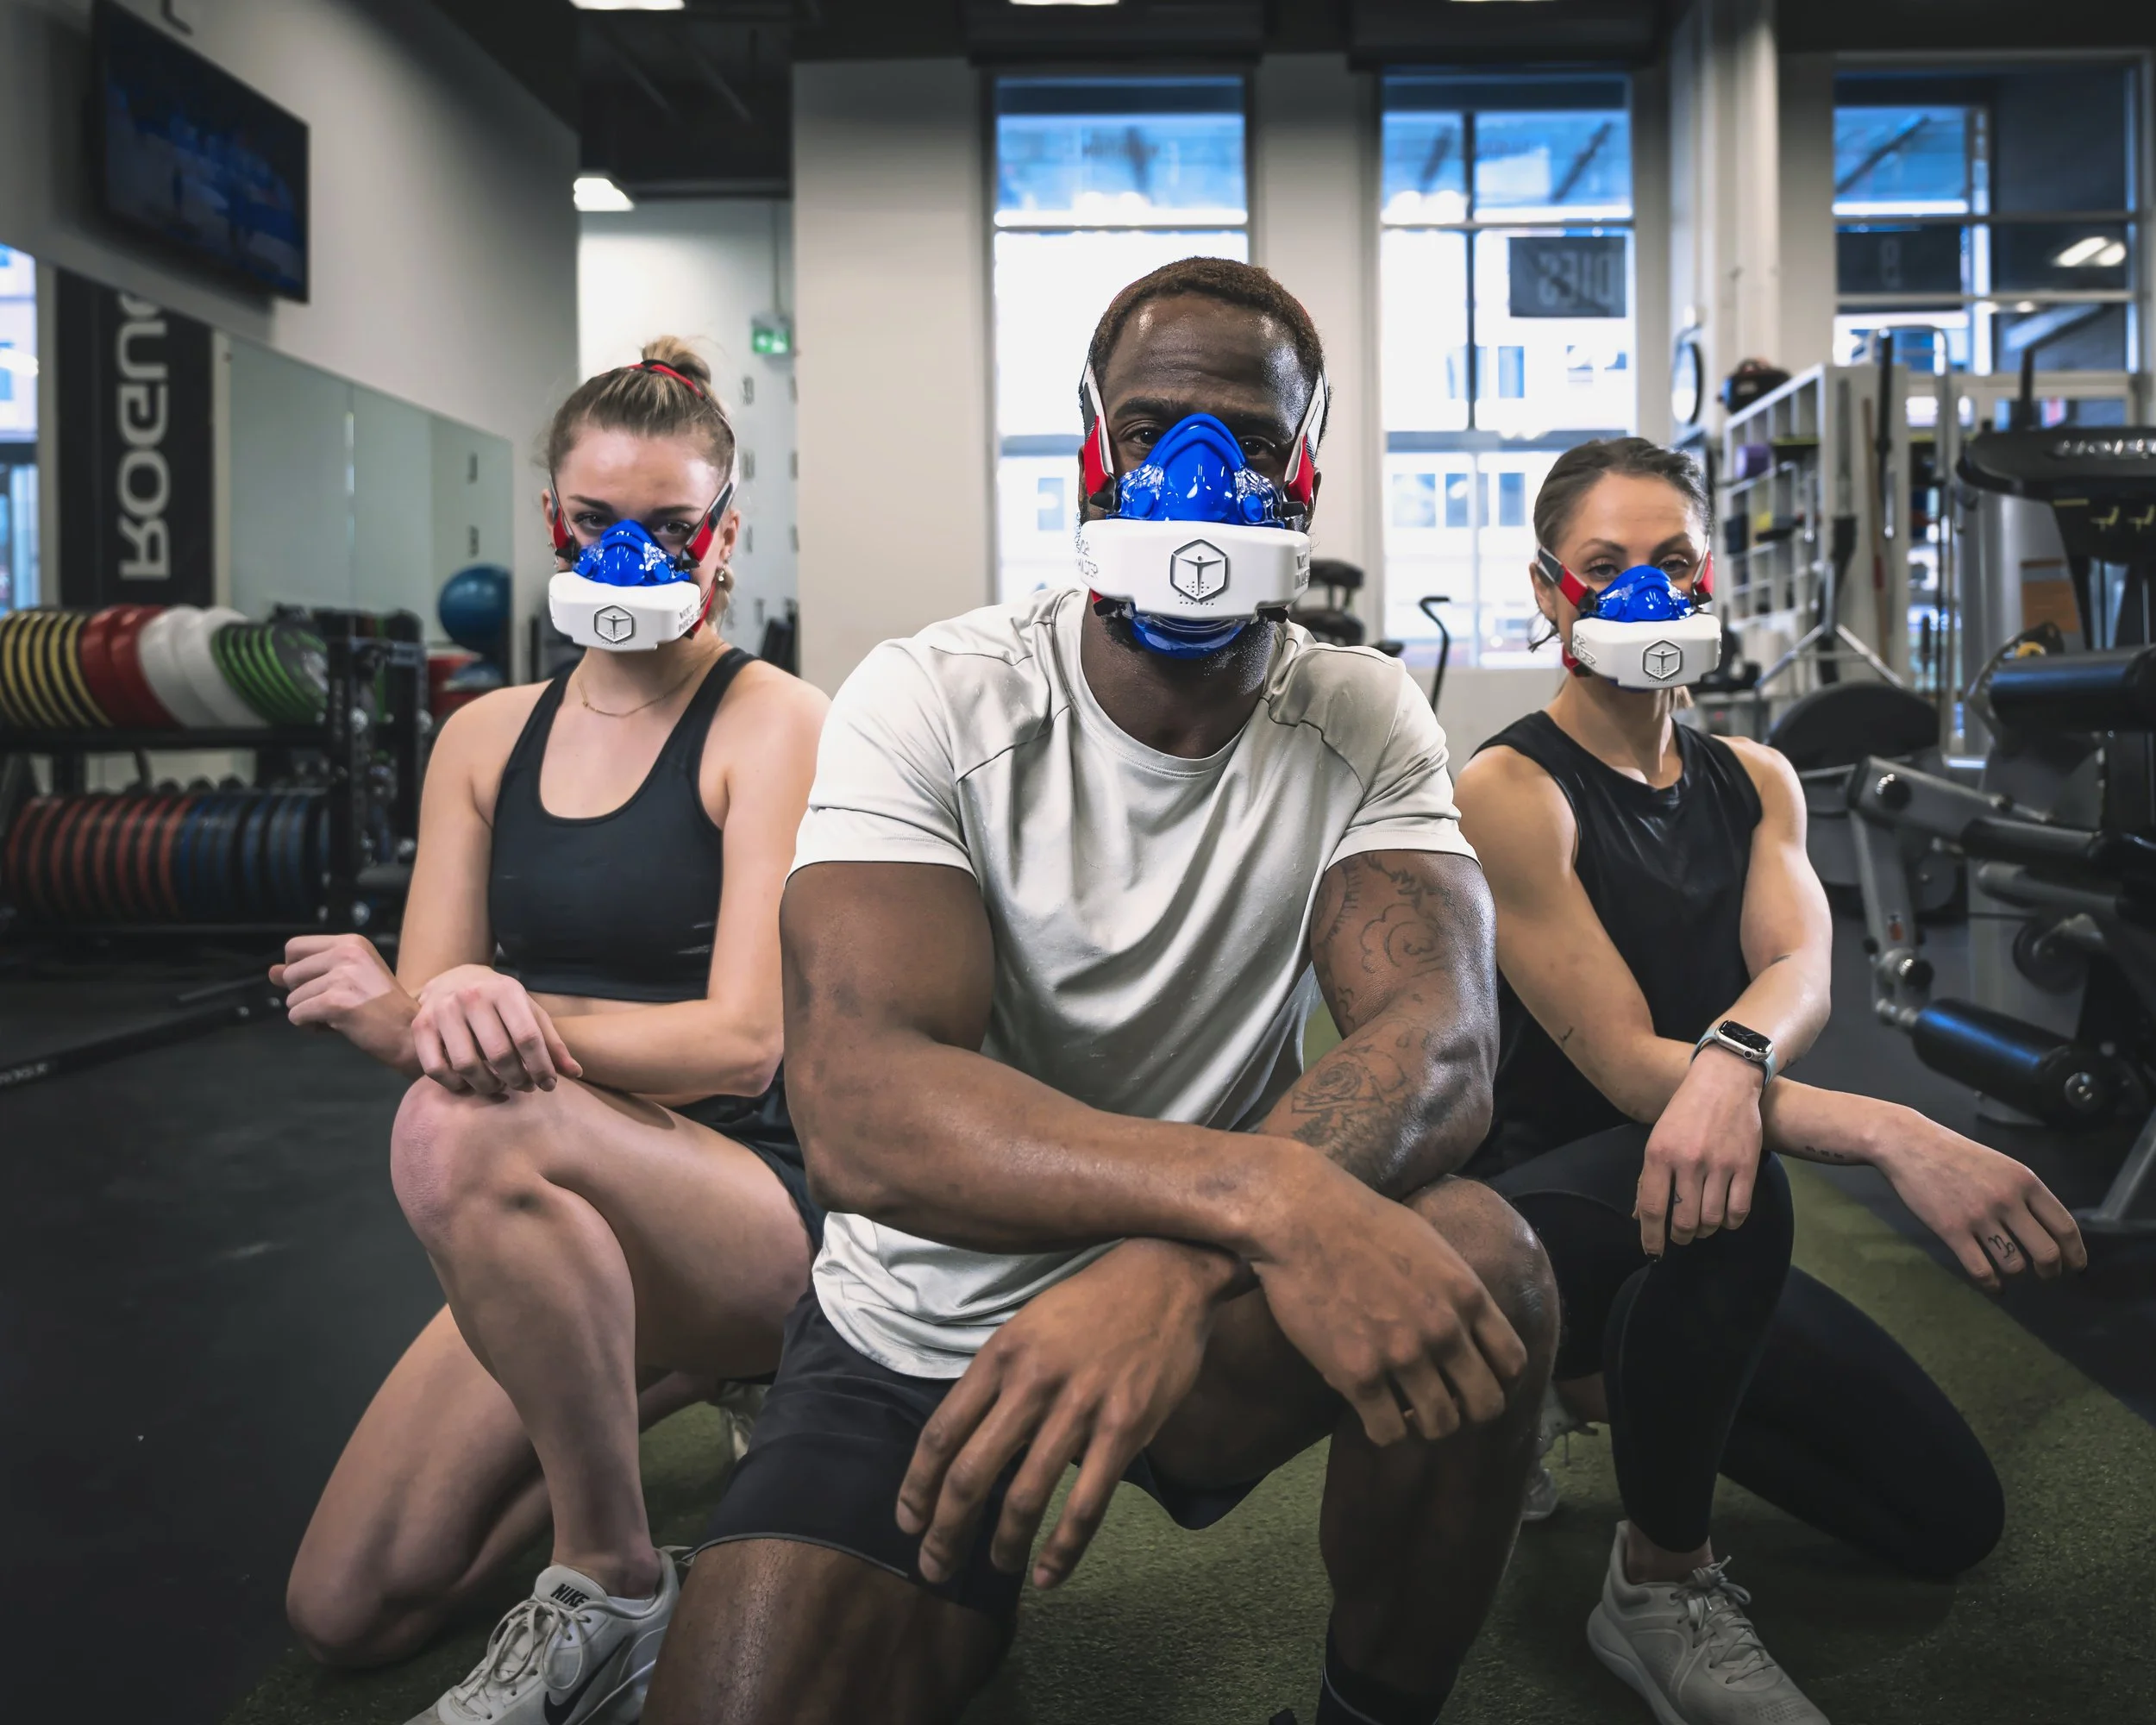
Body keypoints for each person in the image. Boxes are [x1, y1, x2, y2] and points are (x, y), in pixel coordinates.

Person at [641, 257, 1558, 1725]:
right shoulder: (931, 697)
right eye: (1152, 428)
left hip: (1214, 1320)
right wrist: (1253, 1201)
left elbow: (1440, 1040)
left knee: (1487, 1262)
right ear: (1093, 448)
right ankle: (950, 1585)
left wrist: (1177, 1262)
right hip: (927, 1336)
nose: (1198, 476)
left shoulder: (1358, 708)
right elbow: (862, 1107)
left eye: (1249, 441)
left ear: (1305, 473)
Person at [1451, 436, 2087, 1725]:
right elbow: (1633, 1067)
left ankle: (1595, 1394)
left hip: (1693, 1220)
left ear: (1712, 578)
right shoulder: (1509, 791)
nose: (1643, 593)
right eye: (1604, 566)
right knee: (1730, 1178)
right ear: (1544, 590)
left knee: (1946, 1515)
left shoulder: (1758, 779)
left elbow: (1801, 964)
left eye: (1671, 562)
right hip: (1531, 1221)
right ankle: (1653, 1578)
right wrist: (1892, 1131)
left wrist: (1735, 1062)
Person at [273, 338, 830, 1725]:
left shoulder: (773, 722)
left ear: (725, 539)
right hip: (562, 1199)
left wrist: (461, 1022)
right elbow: (427, 1009)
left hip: (750, 1205)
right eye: (598, 524)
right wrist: (392, 1009)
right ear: (551, 523)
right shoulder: (483, 738)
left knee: (455, 1116)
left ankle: (618, 1579)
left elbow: (737, 1046)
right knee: (348, 1609)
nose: (631, 557)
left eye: (670, 528)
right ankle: (654, 1366)